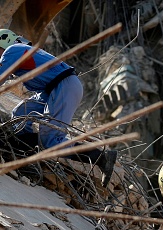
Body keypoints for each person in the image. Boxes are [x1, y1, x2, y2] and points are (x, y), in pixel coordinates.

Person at [0, 29, 116, 187]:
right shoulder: (21, 50)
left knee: (51, 140)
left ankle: (99, 156)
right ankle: (24, 153)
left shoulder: (11, 50)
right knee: (20, 115)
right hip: (53, 89)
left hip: (64, 86)